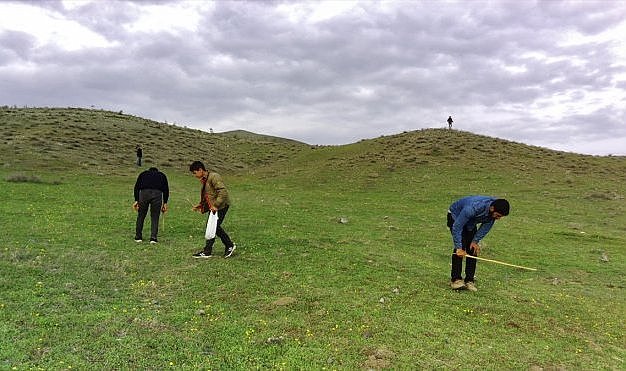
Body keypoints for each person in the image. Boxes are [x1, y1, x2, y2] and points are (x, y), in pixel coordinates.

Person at [447, 196, 510, 292]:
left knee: (473, 249)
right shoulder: (472, 208)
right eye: (497, 216)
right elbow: (457, 227)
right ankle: (456, 280)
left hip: (470, 222)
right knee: (460, 248)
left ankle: (469, 280)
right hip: (456, 216)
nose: (498, 218)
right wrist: (459, 247)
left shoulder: (493, 209)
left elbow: (486, 227)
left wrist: (475, 241)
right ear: (492, 209)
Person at [189, 161, 236, 258]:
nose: (194, 175)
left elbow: (223, 192)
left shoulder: (214, 177)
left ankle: (229, 245)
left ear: (200, 170)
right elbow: (208, 196)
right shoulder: (204, 180)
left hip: (222, 205)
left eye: (194, 173)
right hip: (214, 207)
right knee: (211, 227)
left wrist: (216, 205)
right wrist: (199, 206)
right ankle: (207, 251)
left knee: (214, 227)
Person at [133, 167, 169, 244]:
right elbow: (166, 189)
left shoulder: (143, 174)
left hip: (144, 194)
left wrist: (136, 200)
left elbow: (136, 187)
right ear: (157, 171)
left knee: (141, 215)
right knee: (155, 216)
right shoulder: (162, 175)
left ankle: (138, 237)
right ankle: (153, 238)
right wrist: (165, 203)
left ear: (149, 170)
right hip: (157, 194)